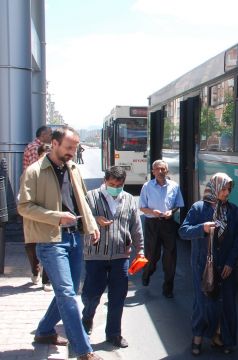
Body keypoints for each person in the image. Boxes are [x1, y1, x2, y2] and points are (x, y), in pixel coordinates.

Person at [18, 125, 102, 360]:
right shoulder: (34, 172)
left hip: (74, 237)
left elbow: (81, 199)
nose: (72, 152)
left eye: (75, 148)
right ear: (54, 144)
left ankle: (45, 331)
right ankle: (84, 350)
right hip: (50, 240)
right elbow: (23, 207)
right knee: (67, 294)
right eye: (68, 147)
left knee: (69, 291)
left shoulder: (73, 167)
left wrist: (92, 224)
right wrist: (56, 217)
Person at [179, 173, 238, 356]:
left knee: (227, 303)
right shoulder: (199, 208)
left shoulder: (233, 210)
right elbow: (183, 231)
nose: (226, 193)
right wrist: (203, 228)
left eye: (229, 189)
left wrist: (231, 262)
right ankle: (197, 338)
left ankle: (224, 338)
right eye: (223, 189)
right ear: (214, 188)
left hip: (225, 267)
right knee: (204, 303)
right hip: (204, 266)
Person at [81, 166, 144, 349]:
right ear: (105, 181)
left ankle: (114, 333)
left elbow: (136, 226)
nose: (115, 187)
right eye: (112, 184)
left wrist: (140, 250)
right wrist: (95, 219)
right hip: (95, 255)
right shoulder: (91, 197)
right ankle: (87, 319)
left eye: (119, 184)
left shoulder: (129, 199)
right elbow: (81, 220)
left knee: (118, 297)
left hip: (120, 256)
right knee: (92, 295)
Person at [139, 159, 185, 298]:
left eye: (163, 169)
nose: (160, 172)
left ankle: (168, 288)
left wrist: (171, 211)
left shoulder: (174, 186)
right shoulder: (147, 187)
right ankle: (147, 273)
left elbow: (178, 204)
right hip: (152, 223)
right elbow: (142, 207)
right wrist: (153, 212)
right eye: (157, 169)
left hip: (168, 224)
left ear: (167, 171)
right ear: (153, 172)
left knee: (170, 256)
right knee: (152, 255)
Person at [22, 125, 53, 291]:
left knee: (43, 241)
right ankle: (38, 273)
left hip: (43, 208)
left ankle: (43, 277)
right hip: (34, 205)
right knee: (35, 242)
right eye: (49, 134)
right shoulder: (35, 149)